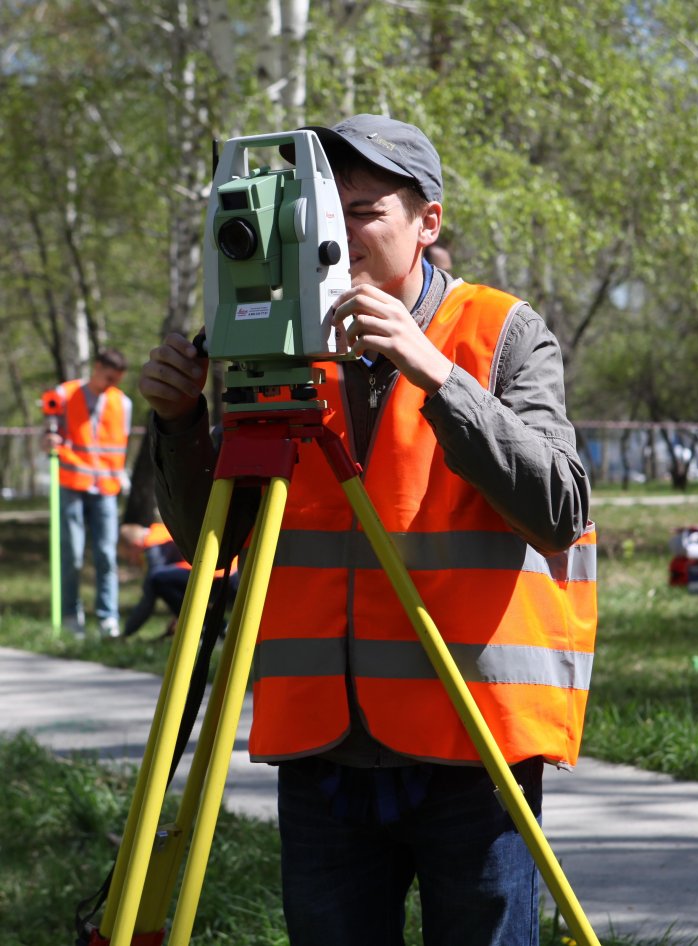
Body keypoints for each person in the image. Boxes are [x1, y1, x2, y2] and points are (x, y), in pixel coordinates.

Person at [138, 114, 596, 946]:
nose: (335, 235)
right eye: (321, 210)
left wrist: (435, 373)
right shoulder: (271, 344)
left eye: (361, 211)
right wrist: (178, 425)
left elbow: (560, 506)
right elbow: (219, 534)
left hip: (473, 747)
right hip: (323, 751)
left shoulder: (501, 332)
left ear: (428, 222)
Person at [42, 348, 132, 639]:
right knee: (73, 556)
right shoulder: (66, 394)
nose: (111, 384)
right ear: (96, 368)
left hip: (105, 489)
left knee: (106, 555)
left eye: (116, 379)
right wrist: (49, 440)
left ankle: (108, 618)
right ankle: (71, 615)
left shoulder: (123, 403)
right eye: (108, 377)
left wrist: (121, 476)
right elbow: (49, 432)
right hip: (71, 484)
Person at [119, 521, 239, 638]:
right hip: (232, 572)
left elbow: (149, 598)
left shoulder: (154, 548)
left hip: (220, 578)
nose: (132, 561)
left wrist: (127, 632)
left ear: (134, 545)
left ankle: (215, 628)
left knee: (156, 579)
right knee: (161, 579)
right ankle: (217, 628)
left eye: (129, 557)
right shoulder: (162, 531)